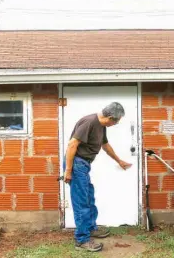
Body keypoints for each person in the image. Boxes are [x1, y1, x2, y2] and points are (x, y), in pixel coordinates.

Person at [63, 102, 132, 252]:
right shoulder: (89, 122)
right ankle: (81, 240)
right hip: (76, 165)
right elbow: (72, 144)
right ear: (111, 118)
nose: (117, 123)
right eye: (117, 120)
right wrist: (68, 171)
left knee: (89, 197)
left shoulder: (101, 126)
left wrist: (119, 160)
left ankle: (90, 228)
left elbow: (105, 146)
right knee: (81, 202)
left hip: (83, 165)